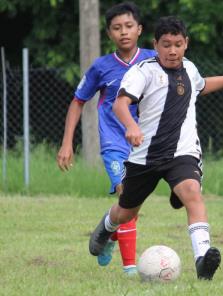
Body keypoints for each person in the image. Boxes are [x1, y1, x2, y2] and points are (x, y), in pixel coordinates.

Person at [88, 15, 223, 280]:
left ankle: (202, 260)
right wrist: (131, 126)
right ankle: (107, 226)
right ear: (156, 45)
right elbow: (120, 104)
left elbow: (203, 85)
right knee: (126, 212)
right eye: (166, 44)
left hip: (182, 154)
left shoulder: (190, 70)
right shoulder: (143, 71)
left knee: (192, 192)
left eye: (178, 44)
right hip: (145, 157)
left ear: (186, 44)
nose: (172, 51)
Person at [56, 2, 157, 275]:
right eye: (116, 28)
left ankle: (110, 234)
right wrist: (67, 143)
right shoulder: (101, 67)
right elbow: (77, 102)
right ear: (109, 33)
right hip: (114, 143)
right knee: (127, 196)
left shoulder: (155, 59)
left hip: (147, 145)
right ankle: (130, 269)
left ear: (139, 29)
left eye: (128, 26)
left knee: (130, 208)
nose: (123, 32)